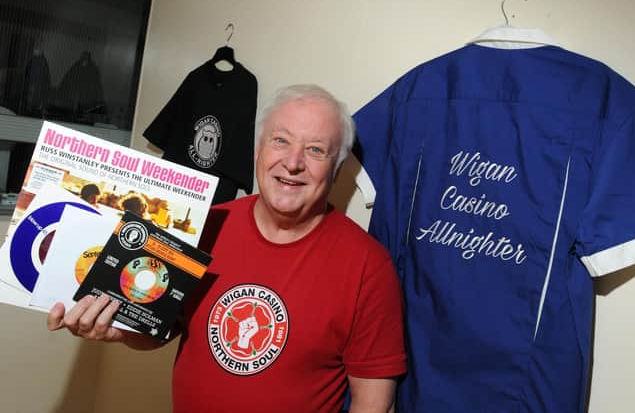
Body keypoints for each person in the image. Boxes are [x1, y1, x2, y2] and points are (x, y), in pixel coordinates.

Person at [47, 84, 406, 412]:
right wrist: (120, 331)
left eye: (315, 150)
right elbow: (160, 331)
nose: (293, 163)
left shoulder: (368, 265)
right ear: (257, 150)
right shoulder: (203, 227)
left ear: (338, 167)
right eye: (281, 141)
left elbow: (373, 402)